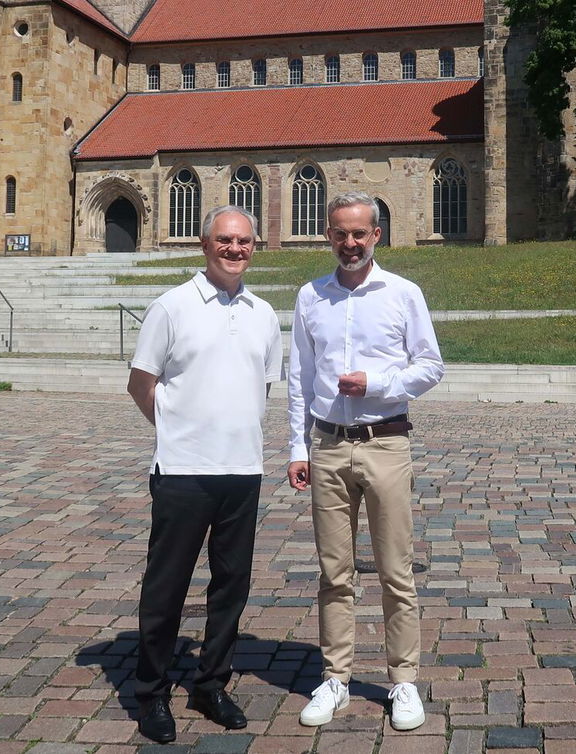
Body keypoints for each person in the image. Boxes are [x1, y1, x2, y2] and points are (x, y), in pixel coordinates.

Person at [286, 191, 443, 732]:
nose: (349, 243)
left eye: (359, 233)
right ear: (327, 235)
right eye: (339, 233)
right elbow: (299, 379)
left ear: (377, 234)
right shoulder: (310, 296)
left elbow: (430, 367)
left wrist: (377, 383)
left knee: (396, 572)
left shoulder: (403, 293)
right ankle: (336, 678)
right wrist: (296, 446)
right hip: (327, 445)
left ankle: (403, 682)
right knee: (334, 571)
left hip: (385, 444)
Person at [126, 204, 283, 744]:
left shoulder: (263, 313)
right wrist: (176, 429)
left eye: (243, 242)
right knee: (166, 585)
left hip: (242, 469)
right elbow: (140, 383)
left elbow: (262, 387)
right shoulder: (171, 307)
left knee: (230, 586)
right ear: (204, 244)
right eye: (224, 240)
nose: (234, 249)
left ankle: (211, 683)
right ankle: (150, 692)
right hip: (184, 470)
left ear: (255, 246)